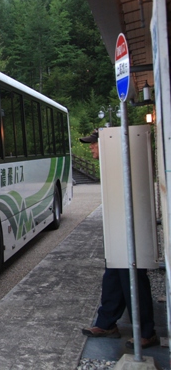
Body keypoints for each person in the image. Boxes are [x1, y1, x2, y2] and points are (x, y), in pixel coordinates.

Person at [79, 129, 159, 349]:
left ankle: (146, 331)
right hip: (118, 230)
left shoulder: (119, 166)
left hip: (127, 231)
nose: (91, 147)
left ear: (108, 145)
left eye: (94, 143)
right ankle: (106, 323)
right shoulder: (112, 166)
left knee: (131, 278)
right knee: (113, 276)